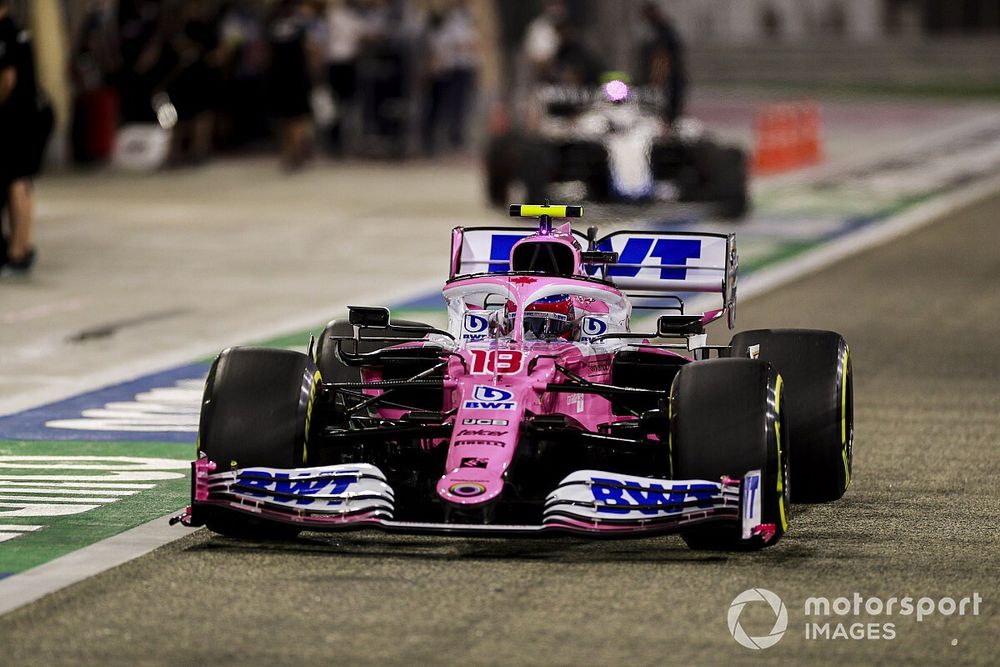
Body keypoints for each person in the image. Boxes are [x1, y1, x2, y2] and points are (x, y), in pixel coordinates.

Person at [0, 1, 52, 275]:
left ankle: (18, 251)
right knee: (20, 181)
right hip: (31, 115)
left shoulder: (5, 32)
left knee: (16, 182)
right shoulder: (19, 31)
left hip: (18, 120)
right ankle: (21, 246)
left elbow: (7, 80)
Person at [640, 1, 687, 124]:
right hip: (673, 76)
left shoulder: (663, 33)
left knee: (668, 114)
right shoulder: (663, 30)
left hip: (671, 77)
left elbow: (662, 58)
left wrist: (657, 79)